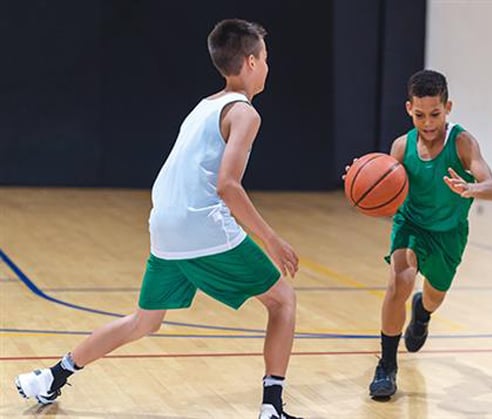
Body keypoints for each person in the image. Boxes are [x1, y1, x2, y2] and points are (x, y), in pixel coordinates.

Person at [14, 19, 302, 419]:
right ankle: (272, 409)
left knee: (144, 322)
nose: (269, 67)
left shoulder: (205, 106)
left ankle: (52, 377)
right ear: (251, 62)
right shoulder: (245, 114)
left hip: (165, 227)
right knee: (283, 301)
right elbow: (228, 186)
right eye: (266, 59)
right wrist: (271, 239)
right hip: (200, 225)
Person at [360, 69, 492, 399]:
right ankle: (387, 366)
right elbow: (379, 180)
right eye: (420, 114)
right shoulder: (400, 146)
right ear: (409, 108)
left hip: (449, 234)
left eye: (435, 114)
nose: (427, 123)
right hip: (410, 225)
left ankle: (423, 311)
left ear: (448, 107)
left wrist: (472, 187)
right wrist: (361, 180)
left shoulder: (463, 142)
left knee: (434, 296)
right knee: (400, 282)